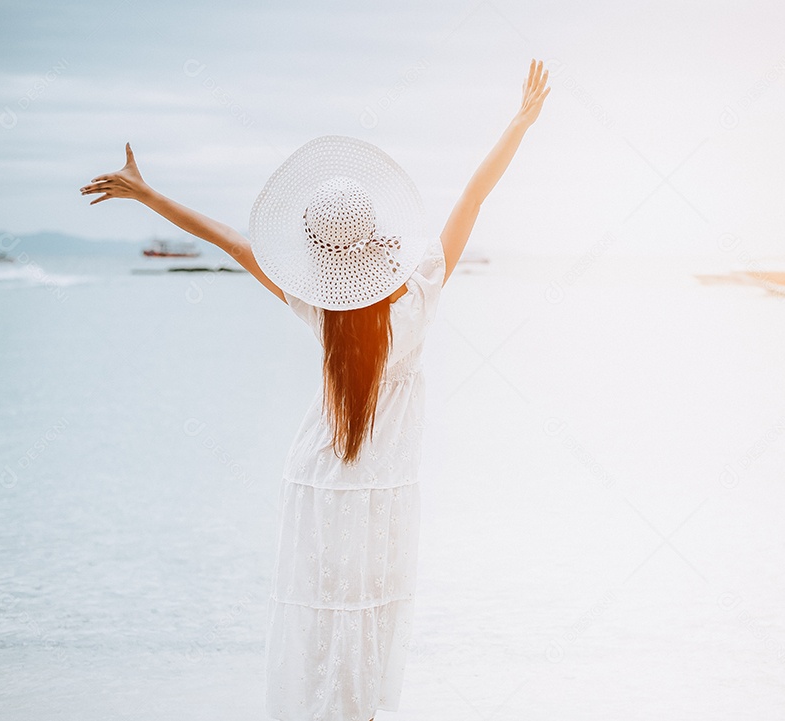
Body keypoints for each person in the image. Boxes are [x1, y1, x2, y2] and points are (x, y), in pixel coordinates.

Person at [80, 58, 550, 721]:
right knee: (366, 622)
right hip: (381, 497)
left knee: (325, 624)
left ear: (322, 256)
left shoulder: (323, 311)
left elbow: (235, 243)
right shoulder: (418, 298)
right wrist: (519, 123)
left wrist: (149, 195)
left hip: (318, 489)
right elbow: (473, 196)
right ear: (376, 238)